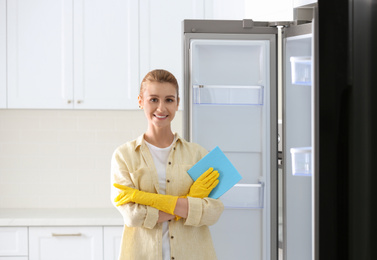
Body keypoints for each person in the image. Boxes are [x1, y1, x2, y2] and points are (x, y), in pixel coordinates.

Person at [111, 69, 224, 260]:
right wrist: (189, 202)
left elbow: (213, 212)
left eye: (169, 100)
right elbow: (132, 216)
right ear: (140, 101)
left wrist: (149, 201)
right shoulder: (124, 155)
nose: (161, 108)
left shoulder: (199, 154)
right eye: (153, 99)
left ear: (177, 103)